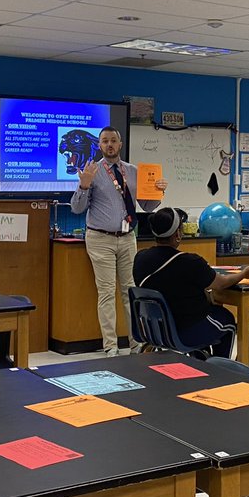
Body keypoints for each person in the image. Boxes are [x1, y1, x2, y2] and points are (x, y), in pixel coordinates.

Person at [69, 126, 166, 356]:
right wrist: (83, 185)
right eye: (105, 141)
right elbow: (76, 208)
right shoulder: (91, 171)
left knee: (130, 291)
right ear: (100, 145)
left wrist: (159, 192)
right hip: (100, 238)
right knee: (106, 293)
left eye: (113, 140)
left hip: (127, 238)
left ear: (120, 145)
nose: (109, 145)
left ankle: (136, 343)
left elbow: (148, 207)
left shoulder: (134, 172)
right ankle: (111, 347)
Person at [133, 207, 249, 358]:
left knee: (207, 316)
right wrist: (244, 273)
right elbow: (221, 284)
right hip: (185, 332)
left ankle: (201, 360)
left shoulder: (140, 258)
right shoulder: (190, 262)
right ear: (178, 234)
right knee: (227, 321)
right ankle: (220, 371)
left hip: (153, 330)